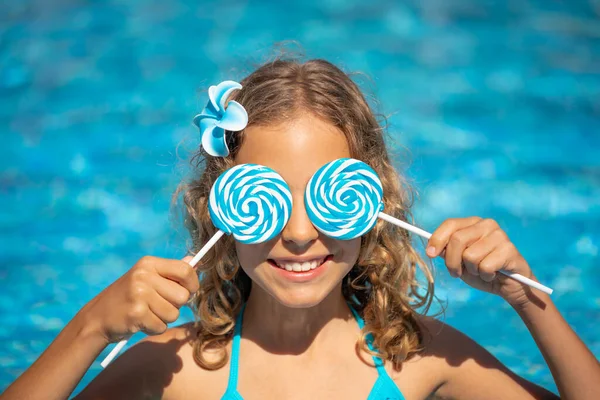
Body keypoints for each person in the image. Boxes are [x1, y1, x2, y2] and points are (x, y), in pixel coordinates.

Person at [3, 57, 599, 400]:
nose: (296, 233)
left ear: (371, 202)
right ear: (222, 210)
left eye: (325, 197)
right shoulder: (176, 369)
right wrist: (87, 330)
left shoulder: (416, 359)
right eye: (264, 197)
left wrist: (525, 300)